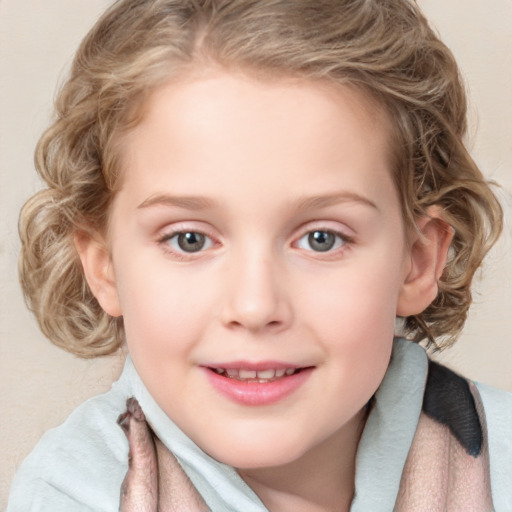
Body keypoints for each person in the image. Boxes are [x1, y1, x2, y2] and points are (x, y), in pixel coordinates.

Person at [6, 0, 512, 510]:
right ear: (105, 267)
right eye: (189, 240)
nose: (254, 306)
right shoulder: (76, 492)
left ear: (418, 260)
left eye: (322, 238)